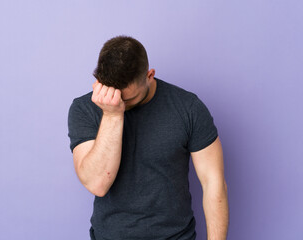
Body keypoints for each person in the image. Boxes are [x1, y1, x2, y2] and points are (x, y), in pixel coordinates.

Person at [67, 36, 229, 240]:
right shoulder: (84, 109)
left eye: (128, 99)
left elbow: (213, 182)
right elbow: (98, 183)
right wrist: (112, 115)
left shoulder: (188, 108)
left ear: (150, 75)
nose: (119, 103)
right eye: (115, 96)